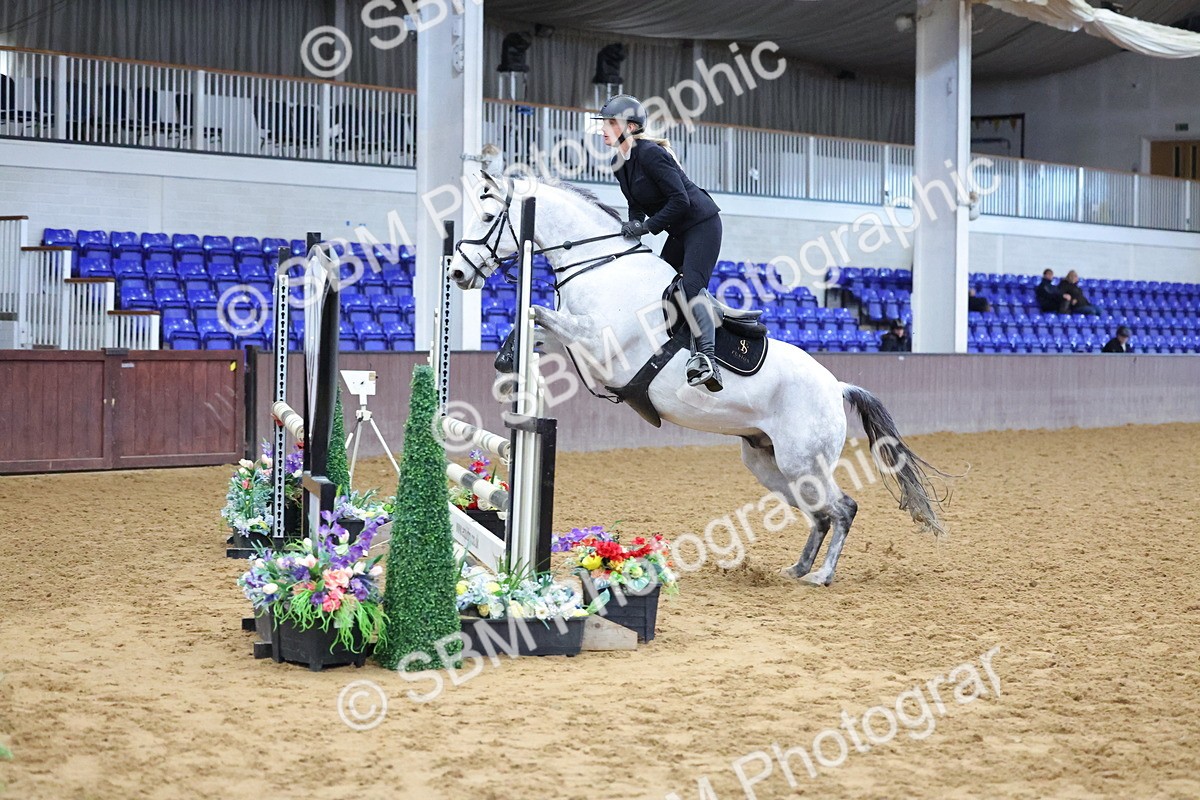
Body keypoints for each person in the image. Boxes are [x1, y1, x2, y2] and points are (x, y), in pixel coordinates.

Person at [596, 94, 725, 392]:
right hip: (678, 231)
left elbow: (679, 200)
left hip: (702, 225)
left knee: (690, 287)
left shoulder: (651, 153)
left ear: (629, 127)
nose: (603, 129)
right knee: (660, 286)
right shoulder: (620, 162)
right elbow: (636, 205)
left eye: (609, 123)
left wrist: (646, 228)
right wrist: (631, 229)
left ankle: (707, 359)